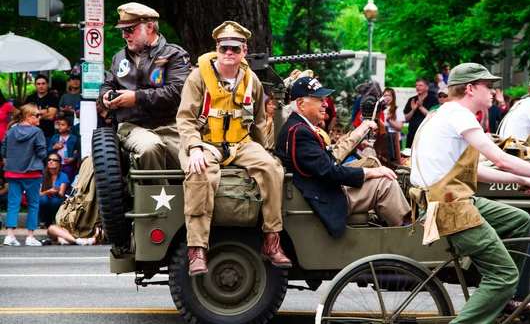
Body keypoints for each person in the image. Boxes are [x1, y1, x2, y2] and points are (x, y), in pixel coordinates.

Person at [410, 63, 530, 323]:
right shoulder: (460, 114)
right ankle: (500, 288)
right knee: (503, 274)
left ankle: (503, 298)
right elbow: (499, 159)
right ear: (469, 89)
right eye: (488, 86)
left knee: (519, 220)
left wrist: (523, 178)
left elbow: (476, 169)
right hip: (449, 206)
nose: (493, 91)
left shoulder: (443, 113)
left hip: (445, 198)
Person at [177, 21, 290, 276]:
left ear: (244, 51)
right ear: (217, 48)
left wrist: (266, 152)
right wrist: (194, 148)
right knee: (199, 174)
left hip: (240, 143)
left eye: (235, 49)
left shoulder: (251, 80)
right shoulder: (199, 77)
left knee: (273, 169)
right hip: (204, 142)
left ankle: (272, 240)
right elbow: (184, 119)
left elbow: (259, 122)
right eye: (224, 47)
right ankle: (197, 249)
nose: (229, 53)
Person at [275, 76, 411, 238]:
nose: (326, 104)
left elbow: (326, 160)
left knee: (372, 162)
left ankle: (391, 219)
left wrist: (361, 137)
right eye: (319, 100)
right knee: (385, 184)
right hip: (321, 196)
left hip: (316, 187)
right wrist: (370, 173)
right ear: (300, 104)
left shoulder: (298, 126)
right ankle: (403, 236)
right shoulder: (300, 132)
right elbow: (330, 171)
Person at [99, 2, 190, 172]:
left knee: (195, 160)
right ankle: (154, 197)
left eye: (129, 30)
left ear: (149, 27)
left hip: (169, 126)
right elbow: (107, 85)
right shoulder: (119, 58)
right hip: (131, 127)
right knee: (150, 147)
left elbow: (177, 92)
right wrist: (105, 97)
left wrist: (136, 98)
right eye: (122, 30)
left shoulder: (175, 55)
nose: (124, 35)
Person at [1, 103, 47, 246]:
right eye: (37, 115)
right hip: (32, 172)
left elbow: (3, 150)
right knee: (33, 204)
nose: (40, 118)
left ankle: (10, 236)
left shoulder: (11, 130)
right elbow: (41, 152)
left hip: (13, 172)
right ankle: (30, 236)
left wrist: (11, 162)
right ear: (28, 116)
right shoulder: (37, 132)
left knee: (13, 204)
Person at [25, 74, 59, 148]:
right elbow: (25, 114)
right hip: (31, 134)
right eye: (38, 84)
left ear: (47, 84)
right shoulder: (30, 98)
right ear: (35, 85)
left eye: (43, 83)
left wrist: (33, 114)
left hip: (47, 134)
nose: (41, 86)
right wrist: (44, 111)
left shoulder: (52, 98)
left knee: (46, 156)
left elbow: (50, 116)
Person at [403, 77, 438, 147]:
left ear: (427, 87)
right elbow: (405, 119)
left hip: (427, 136)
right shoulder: (412, 100)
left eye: (420, 85)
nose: (418, 87)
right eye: (416, 85)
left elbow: (434, 117)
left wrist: (421, 107)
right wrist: (413, 110)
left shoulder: (434, 99)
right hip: (412, 135)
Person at [38, 153, 70, 228]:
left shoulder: (63, 176)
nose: (51, 161)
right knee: (43, 199)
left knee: (55, 201)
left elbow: (62, 194)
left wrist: (57, 191)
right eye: (49, 160)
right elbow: (39, 193)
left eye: (54, 160)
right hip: (44, 197)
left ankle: (54, 221)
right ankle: (42, 221)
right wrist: (49, 191)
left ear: (59, 163)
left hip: (56, 198)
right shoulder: (42, 175)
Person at [48, 117, 79, 183]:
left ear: (69, 127)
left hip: (68, 164)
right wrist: (54, 147)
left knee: (67, 181)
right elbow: (48, 150)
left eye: (63, 125)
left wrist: (73, 158)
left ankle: (66, 193)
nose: (60, 127)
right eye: (59, 125)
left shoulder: (74, 138)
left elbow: (79, 152)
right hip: (56, 164)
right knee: (55, 181)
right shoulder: (55, 137)